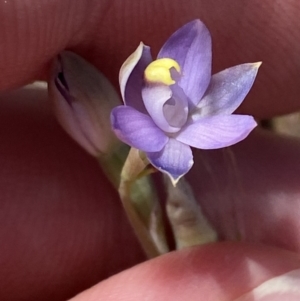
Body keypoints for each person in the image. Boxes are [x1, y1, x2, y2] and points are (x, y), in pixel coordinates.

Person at [1, 0, 300, 300]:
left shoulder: (174, 139)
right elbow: (129, 132)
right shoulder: (128, 125)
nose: (168, 85)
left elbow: (235, 108)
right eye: (154, 83)